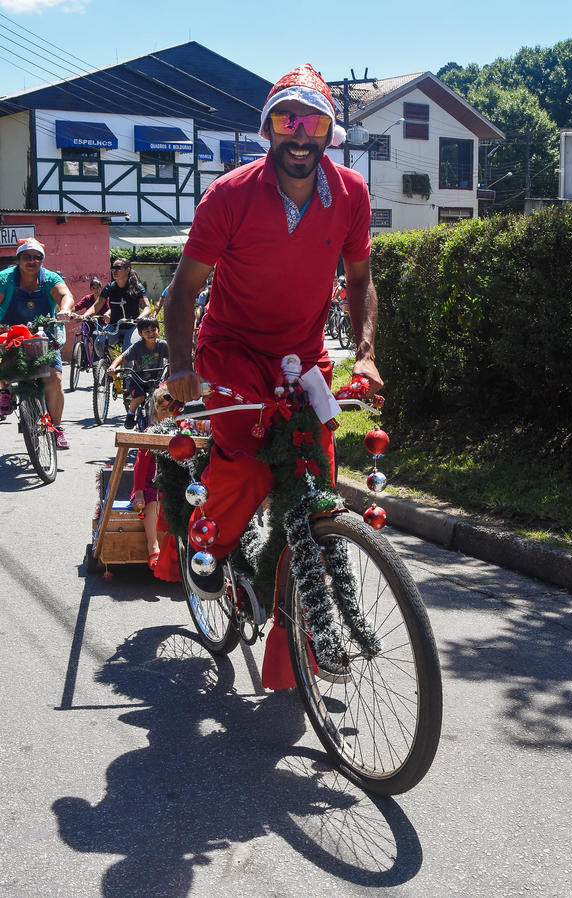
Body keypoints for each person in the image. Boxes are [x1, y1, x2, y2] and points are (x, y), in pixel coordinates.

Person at [165, 63, 383, 600]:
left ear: (331, 133)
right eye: (287, 122)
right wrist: (181, 367)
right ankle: (206, 546)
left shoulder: (352, 193)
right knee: (246, 460)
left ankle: (309, 618)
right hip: (232, 349)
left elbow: (360, 280)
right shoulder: (228, 195)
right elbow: (182, 289)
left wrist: (366, 354)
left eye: (314, 124)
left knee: (317, 469)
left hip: (302, 355)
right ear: (268, 130)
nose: (300, 136)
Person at [0, 237, 74, 448]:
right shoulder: (5, 278)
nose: (32, 261)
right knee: (2, 363)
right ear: (19, 259)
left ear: (42, 260)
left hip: (44, 333)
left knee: (55, 379)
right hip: (8, 332)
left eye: (37, 257)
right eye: (27, 257)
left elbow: (65, 295)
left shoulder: (49, 278)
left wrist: (65, 309)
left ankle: (57, 428)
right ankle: (4, 389)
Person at [130, 382, 174, 569]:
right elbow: (141, 465)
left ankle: (181, 551)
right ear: (155, 411)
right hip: (149, 485)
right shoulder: (151, 433)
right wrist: (139, 492)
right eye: (162, 408)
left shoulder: (180, 433)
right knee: (153, 501)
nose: (166, 411)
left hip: (172, 485)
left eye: (170, 408)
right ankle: (153, 546)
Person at [106, 317, 169, 429]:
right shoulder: (137, 347)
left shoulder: (162, 345)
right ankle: (130, 415)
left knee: (161, 398)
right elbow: (122, 357)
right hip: (137, 379)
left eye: (153, 330)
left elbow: (173, 358)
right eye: (147, 331)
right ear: (140, 334)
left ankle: (162, 422)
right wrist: (112, 367)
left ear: (158, 330)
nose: (151, 333)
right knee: (139, 396)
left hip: (155, 379)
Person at [89, 258, 151, 355]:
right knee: (99, 343)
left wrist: (140, 317)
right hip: (114, 326)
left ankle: (128, 369)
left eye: (118, 268)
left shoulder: (137, 287)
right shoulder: (109, 287)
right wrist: (84, 316)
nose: (114, 270)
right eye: (113, 268)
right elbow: (96, 306)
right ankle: (104, 364)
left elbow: (147, 307)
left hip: (132, 326)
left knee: (128, 352)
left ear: (127, 270)